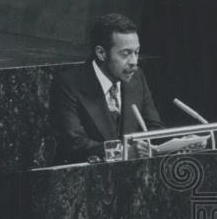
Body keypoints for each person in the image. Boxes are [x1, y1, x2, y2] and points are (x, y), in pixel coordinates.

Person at [50, 13, 164, 163]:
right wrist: (123, 152)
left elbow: (154, 127)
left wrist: (181, 143)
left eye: (136, 52)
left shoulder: (136, 77)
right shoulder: (68, 84)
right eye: (126, 54)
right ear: (101, 53)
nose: (134, 62)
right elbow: (74, 143)